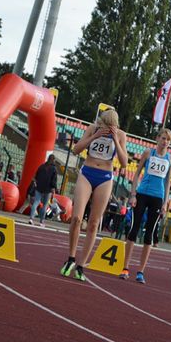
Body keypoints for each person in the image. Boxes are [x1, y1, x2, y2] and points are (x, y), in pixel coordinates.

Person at [60, 109, 128, 281]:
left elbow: (124, 162)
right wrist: (95, 136)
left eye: (109, 126)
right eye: (104, 125)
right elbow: (76, 150)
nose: (106, 128)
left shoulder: (120, 135)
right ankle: (71, 258)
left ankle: (81, 265)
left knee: (94, 223)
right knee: (76, 218)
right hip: (87, 173)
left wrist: (115, 140)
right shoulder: (92, 129)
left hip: (105, 177)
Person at [120, 128, 171, 284]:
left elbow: (168, 182)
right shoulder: (147, 153)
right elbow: (136, 174)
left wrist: (165, 202)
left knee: (149, 233)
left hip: (157, 197)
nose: (165, 142)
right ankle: (125, 267)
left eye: (168, 140)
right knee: (134, 229)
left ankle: (141, 271)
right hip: (142, 194)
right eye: (163, 138)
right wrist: (133, 194)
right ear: (157, 139)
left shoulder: (170, 159)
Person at [29, 154, 59, 228]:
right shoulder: (54, 169)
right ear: (53, 160)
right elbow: (53, 180)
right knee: (45, 205)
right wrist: (54, 188)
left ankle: (31, 218)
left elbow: (36, 176)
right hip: (47, 189)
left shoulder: (41, 166)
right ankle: (41, 221)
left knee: (36, 202)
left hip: (39, 187)